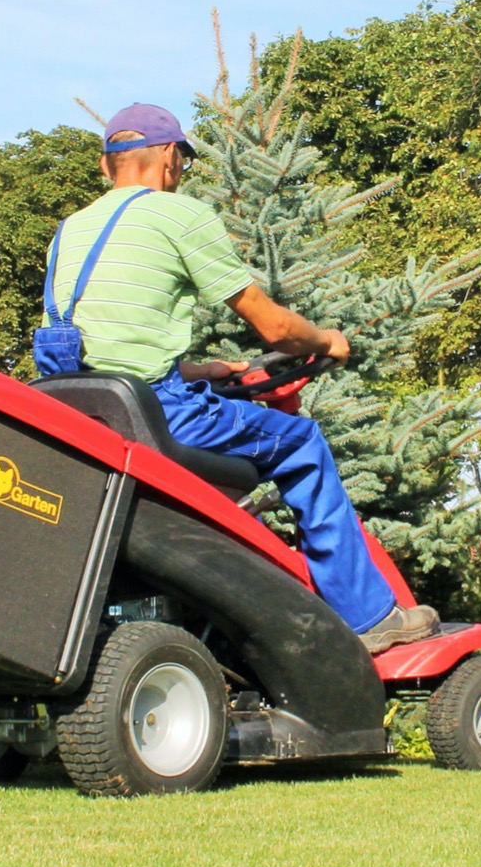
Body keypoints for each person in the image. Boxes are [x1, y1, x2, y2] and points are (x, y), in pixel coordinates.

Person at [40, 101, 440, 653]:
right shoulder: (178, 216)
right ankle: (368, 617)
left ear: (107, 164)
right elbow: (274, 328)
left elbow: (98, 350)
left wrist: (201, 371)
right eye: (180, 158)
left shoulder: (69, 233)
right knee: (302, 443)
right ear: (168, 157)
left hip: (83, 415)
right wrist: (327, 341)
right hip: (159, 412)